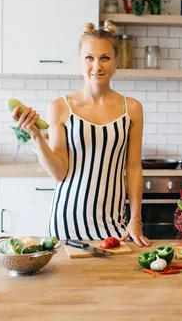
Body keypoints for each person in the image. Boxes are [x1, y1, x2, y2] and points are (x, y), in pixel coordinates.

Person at [12, 20, 150, 247]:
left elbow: (133, 167)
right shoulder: (60, 106)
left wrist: (136, 219)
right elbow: (59, 172)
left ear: (116, 62)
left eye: (105, 58)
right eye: (89, 58)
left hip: (114, 224)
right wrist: (36, 136)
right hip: (66, 222)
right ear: (80, 61)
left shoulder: (132, 108)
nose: (97, 66)